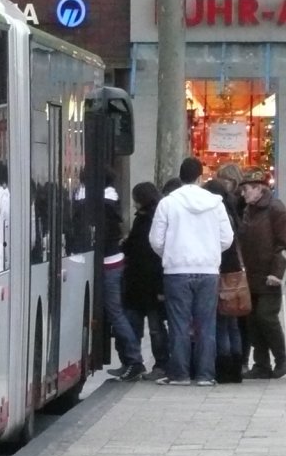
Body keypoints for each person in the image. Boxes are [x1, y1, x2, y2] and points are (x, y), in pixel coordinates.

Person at [149, 157, 233, 386]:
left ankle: (180, 374)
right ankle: (206, 375)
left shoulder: (167, 203)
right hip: (208, 270)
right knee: (207, 324)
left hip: (176, 270)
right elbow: (227, 238)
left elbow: (156, 240)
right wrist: (211, 252)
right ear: (200, 176)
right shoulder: (216, 203)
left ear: (180, 175)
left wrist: (170, 254)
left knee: (179, 323)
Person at [93, 168, 145, 381]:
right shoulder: (111, 202)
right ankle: (132, 359)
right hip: (115, 262)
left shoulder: (100, 205)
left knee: (115, 313)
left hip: (108, 264)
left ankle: (134, 359)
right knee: (117, 312)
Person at [237, 166, 286, 379]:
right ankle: (261, 364)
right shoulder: (249, 210)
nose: (243, 193)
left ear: (259, 189)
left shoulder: (276, 209)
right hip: (251, 275)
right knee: (253, 319)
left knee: (266, 316)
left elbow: (282, 244)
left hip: (268, 276)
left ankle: (282, 359)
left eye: (246, 189)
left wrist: (277, 273)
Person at [121, 182, 169, 381]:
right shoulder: (145, 218)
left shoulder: (151, 219)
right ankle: (143, 363)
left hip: (147, 282)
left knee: (153, 327)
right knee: (150, 326)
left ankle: (156, 363)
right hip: (141, 283)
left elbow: (150, 252)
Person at [202, 178, 244, 383]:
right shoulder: (232, 212)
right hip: (234, 272)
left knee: (221, 323)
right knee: (232, 322)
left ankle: (225, 367)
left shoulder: (217, 214)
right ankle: (237, 366)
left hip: (220, 270)